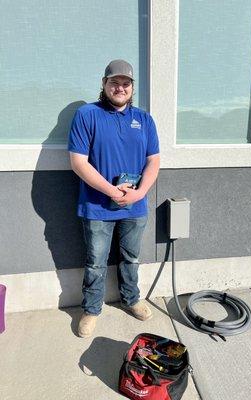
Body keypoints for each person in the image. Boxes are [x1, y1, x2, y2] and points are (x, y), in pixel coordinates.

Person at [68, 60, 160, 338]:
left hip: (136, 204)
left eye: (125, 83)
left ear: (132, 87)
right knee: (96, 260)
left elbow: (153, 161)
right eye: (114, 82)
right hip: (97, 206)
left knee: (131, 257)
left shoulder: (144, 120)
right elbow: (78, 162)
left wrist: (140, 192)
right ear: (104, 84)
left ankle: (131, 299)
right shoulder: (87, 115)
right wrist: (112, 191)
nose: (120, 87)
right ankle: (92, 309)